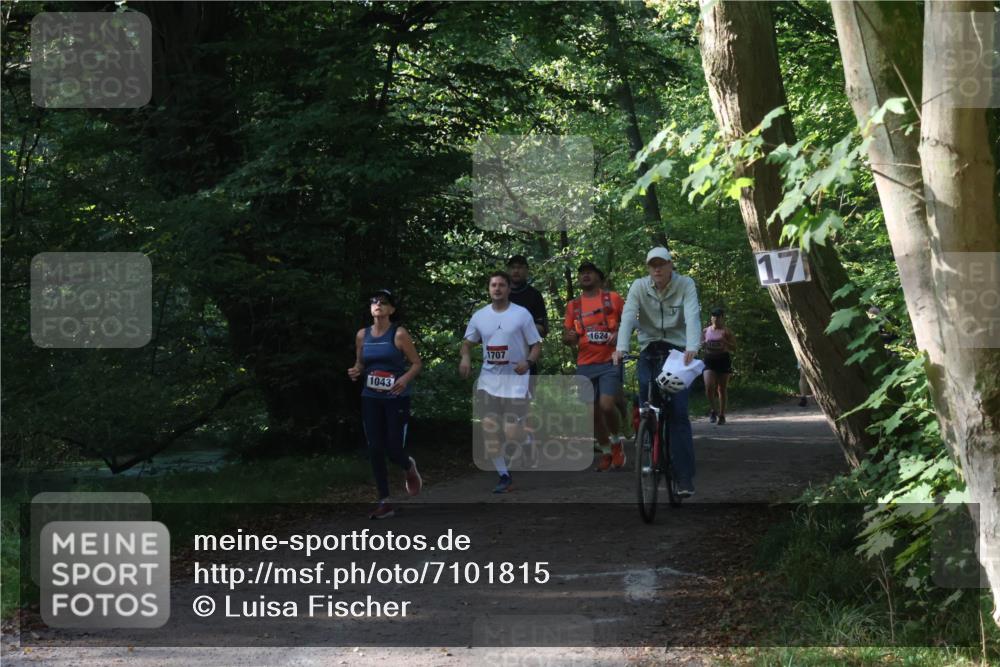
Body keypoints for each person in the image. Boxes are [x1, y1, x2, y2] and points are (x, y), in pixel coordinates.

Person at [612, 247, 701, 497]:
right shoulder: (639, 286)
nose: (657, 269)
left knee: (679, 414)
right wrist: (621, 348)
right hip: (649, 348)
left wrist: (692, 346)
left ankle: (684, 478)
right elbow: (628, 315)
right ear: (648, 269)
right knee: (646, 401)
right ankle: (648, 434)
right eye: (653, 265)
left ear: (671, 265)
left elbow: (693, 314)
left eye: (662, 264)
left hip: (678, 351)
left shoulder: (685, 284)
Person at [460, 271, 542, 493]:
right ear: (489, 289)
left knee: (512, 431)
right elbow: (467, 343)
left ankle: (526, 441)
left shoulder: (522, 315)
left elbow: (536, 345)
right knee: (489, 428)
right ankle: (504, 476)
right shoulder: (480, 316)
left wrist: (528, 361)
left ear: (508, 289)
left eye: (502, 285)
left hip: (516, 381)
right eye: (493, 285)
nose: (497, 288)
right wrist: (466, 358)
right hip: (489, 381)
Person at [347, 289, 423, 520]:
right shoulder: (362, 335)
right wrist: (356, 370)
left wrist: (403, 379)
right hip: (371, 398)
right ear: (370, 309)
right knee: (374, 448)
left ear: (391, 309)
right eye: (374, 302)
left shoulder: (398, 334)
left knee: (393, 449)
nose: (378, 305)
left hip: (396, 398)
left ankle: (408, 466)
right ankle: (385, 501)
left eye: (383, 302)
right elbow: (360, 363)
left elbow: (417, 363)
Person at [563, 262, 626, 471]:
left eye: (589, 272)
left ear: (599, 277)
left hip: (610, 361)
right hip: (585, 364)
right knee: (592, 414)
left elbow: (629, 323)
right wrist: (569, 337)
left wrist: (619, 334)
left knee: (606, 405)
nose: (585, 276)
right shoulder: (573, 306)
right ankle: (607, 452)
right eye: (582, 273)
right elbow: (567, 336)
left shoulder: (613, 299)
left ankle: (617, 442)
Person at [702, 307, 736, 425]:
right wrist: (703, 343)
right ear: (711, 318)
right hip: (709, 360)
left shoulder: (727, 331)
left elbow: (734, 348)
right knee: (709, 386)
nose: (716, 319)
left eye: (718, 317)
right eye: (714, 316)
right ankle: (713, 410)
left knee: (721, 388)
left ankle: (721, 414)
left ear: (723, 318)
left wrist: (725, 342)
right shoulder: (706, 331)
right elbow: (699, 344)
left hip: (723, 360)